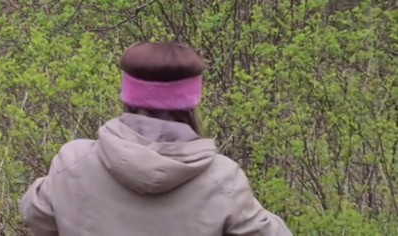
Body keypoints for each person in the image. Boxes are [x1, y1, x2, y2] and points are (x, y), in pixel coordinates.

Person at [20, 41, 291, 236]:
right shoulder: (223, 180)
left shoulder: (74, 161)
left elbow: (34, 214)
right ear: (191, 103)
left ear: (128, 96)